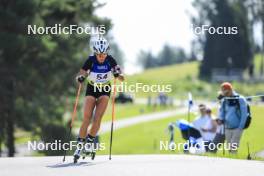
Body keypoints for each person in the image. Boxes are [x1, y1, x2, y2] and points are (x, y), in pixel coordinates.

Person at [73, 36, 124, 159]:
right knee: (86, 118)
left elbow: (122, 77)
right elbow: (82, 73)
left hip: (105, 90)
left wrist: (118, 74)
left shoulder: (111, 60)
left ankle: (89, 143)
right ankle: (80, 146)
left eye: (104, 54)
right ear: (95, 53)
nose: (101, 57)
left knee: (98, 118)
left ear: (107, 53)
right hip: (92, 89)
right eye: (99, 54)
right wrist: (80, 78)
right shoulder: (90, 60)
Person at [217, 82, 248, 153]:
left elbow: (244, 114)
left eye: (226, 92)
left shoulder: (240, 99)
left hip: (237, 128)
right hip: (227, 127)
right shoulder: (224, 99)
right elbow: (222, 111)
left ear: (230, 90)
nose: (224, 94)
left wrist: (240, 127)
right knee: (229, 149)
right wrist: (220, 119)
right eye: (223, 92)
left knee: (233, 148)